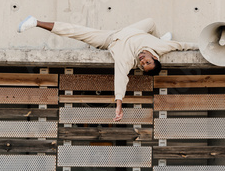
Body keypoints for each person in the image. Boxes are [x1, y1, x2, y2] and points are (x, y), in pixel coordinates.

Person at [18, 16, 198, 121]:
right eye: (147, 62)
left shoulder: (126, 59)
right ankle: (162, 36)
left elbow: (121, 79)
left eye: (143, 65)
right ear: (155, 57)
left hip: (111, 39)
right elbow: (183, 45)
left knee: (78, 32)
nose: (143, 61)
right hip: (133, 31)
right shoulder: (160, 47)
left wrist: (119, 105)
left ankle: (35, 22)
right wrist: (203, 47)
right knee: (150, 22)